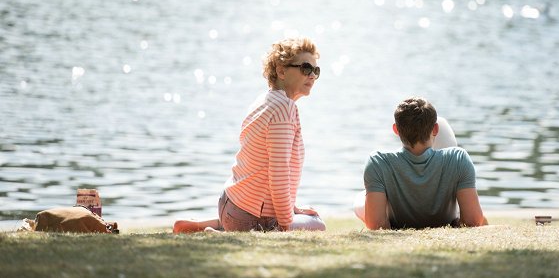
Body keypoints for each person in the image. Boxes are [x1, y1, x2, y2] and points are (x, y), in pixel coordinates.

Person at [173, 37, 326, 233]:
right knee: (318, 224)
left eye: (316, 71)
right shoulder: (284, 109)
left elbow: (262, 167)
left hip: (230, 203)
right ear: (281, 71)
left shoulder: (264, 101)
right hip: (251, 216)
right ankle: (221, 234)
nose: (312, 76)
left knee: (304, 216)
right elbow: (278, 173)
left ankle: (211, 225)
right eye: (306, 68)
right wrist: (287, 223)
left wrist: (292, 207)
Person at [354, 97, 487, 230]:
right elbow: (472, 221)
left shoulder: (378, 162)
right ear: (435, 129)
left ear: (396, 130)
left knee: (360, 199)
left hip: (395, 216)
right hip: (447, 214)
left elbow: (376, 225)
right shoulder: (458, 158)